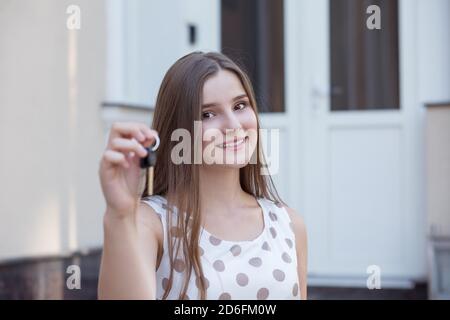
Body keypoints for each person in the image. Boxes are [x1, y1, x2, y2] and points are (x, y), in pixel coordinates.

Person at [98, 51, 307, 300]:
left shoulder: (288, 224)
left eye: (240, 106)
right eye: (208, 114)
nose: (233, 125)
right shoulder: (151, 224)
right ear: (179, 129)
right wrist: (118, 215)